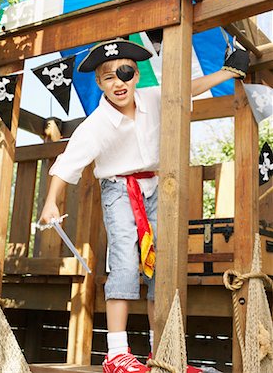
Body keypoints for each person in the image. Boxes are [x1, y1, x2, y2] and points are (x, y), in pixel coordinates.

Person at [40, 38, 249, 373]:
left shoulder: (153, 97)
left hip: (156, 187)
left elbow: (188, 89)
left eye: (125, 73)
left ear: (137, 75)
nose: (118, 82)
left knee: (162, 265)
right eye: (108, 77)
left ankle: (162, 352)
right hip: (120, 190)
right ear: (99, 83)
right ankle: (117, 353)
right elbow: (68, 162)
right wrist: (51, 201)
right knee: (124, 260)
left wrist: (227, 71)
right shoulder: (96, 124)